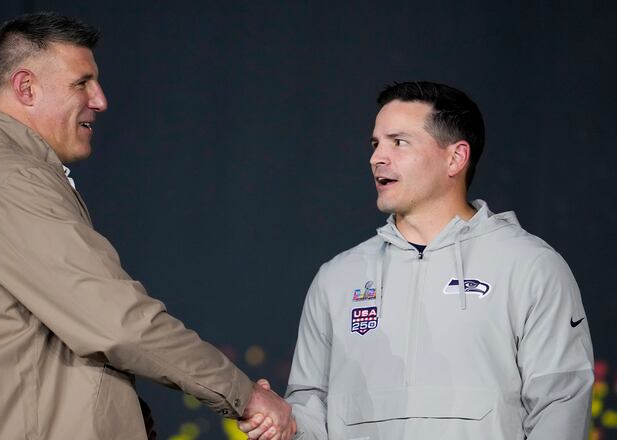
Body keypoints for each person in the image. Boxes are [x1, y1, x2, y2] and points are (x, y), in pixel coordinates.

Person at [0, 12, 295, 440]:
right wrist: (244, 395)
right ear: (26, 87)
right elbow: (120, 324)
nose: (101, 99)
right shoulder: (9, 182)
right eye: (81, 82)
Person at [240, 81, 594, 439]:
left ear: (455, 157)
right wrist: (288, 423)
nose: (377, 157)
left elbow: (560, 405)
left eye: (398, 142)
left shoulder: (531, 266)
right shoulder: (337, 278)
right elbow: (311, 406)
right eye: (376, 143)